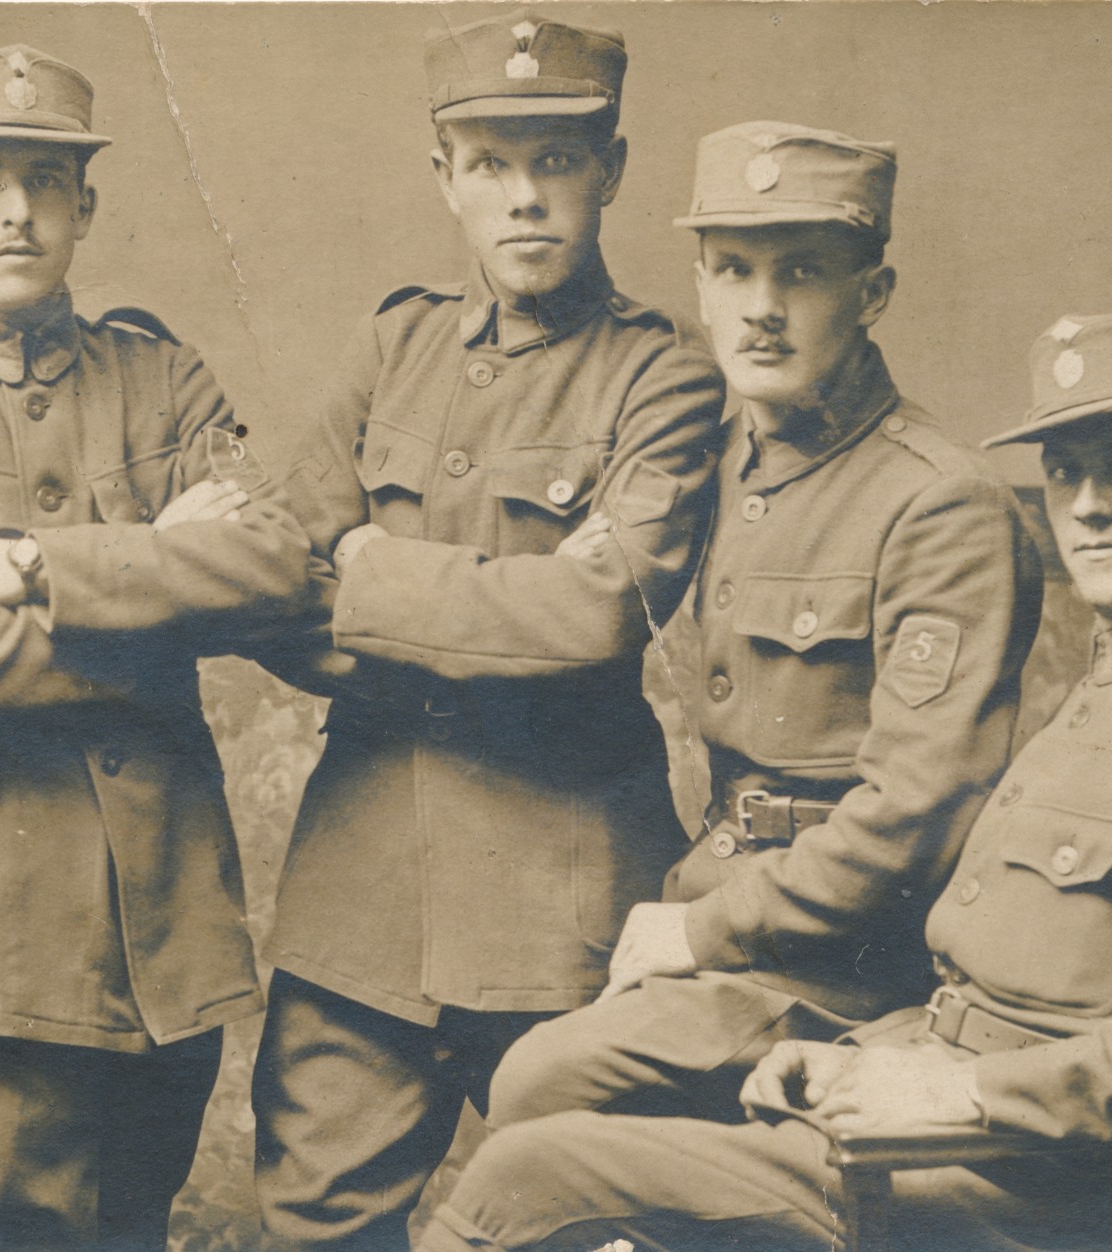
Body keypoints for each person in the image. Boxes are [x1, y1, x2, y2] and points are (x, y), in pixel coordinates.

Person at [416, 312, 1112, 1251]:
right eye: (1066, 472)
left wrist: (959, 1090)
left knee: (522, 1179)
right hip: (939, 1126)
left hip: (1037, 1193)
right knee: (555, 1111)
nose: (1088, 506)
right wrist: (862, 1059)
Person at [0, 42, 312, 1250]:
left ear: (85, 204)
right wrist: (154, 587)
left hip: (162, 936)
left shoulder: (161, 376)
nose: (17, 211)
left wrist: (31, 567)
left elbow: (274, 563)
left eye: (45, 180)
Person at [249, 15, 726, 1250]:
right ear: (443, 177)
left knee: (582, 1221)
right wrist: (491, 603)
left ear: (609, 171)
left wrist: (367, 565)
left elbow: (592, 613)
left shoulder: (664, 376)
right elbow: (273, 579)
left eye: (555, 161)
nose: (523, 197)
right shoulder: (391, 343)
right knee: (312, 1228)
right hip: (361, 904)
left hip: (562, 902)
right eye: (489, 163)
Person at [478, 120, 1042, 1137]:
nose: (761, 309)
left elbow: (916, 813)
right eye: (734, 270)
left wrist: (703, 929)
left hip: (849, 969)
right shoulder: (708, 462)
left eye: (803, 273)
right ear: (700, 287)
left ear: (872, 293)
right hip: (717, 899)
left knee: (539, 1086)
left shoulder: (940, 504)